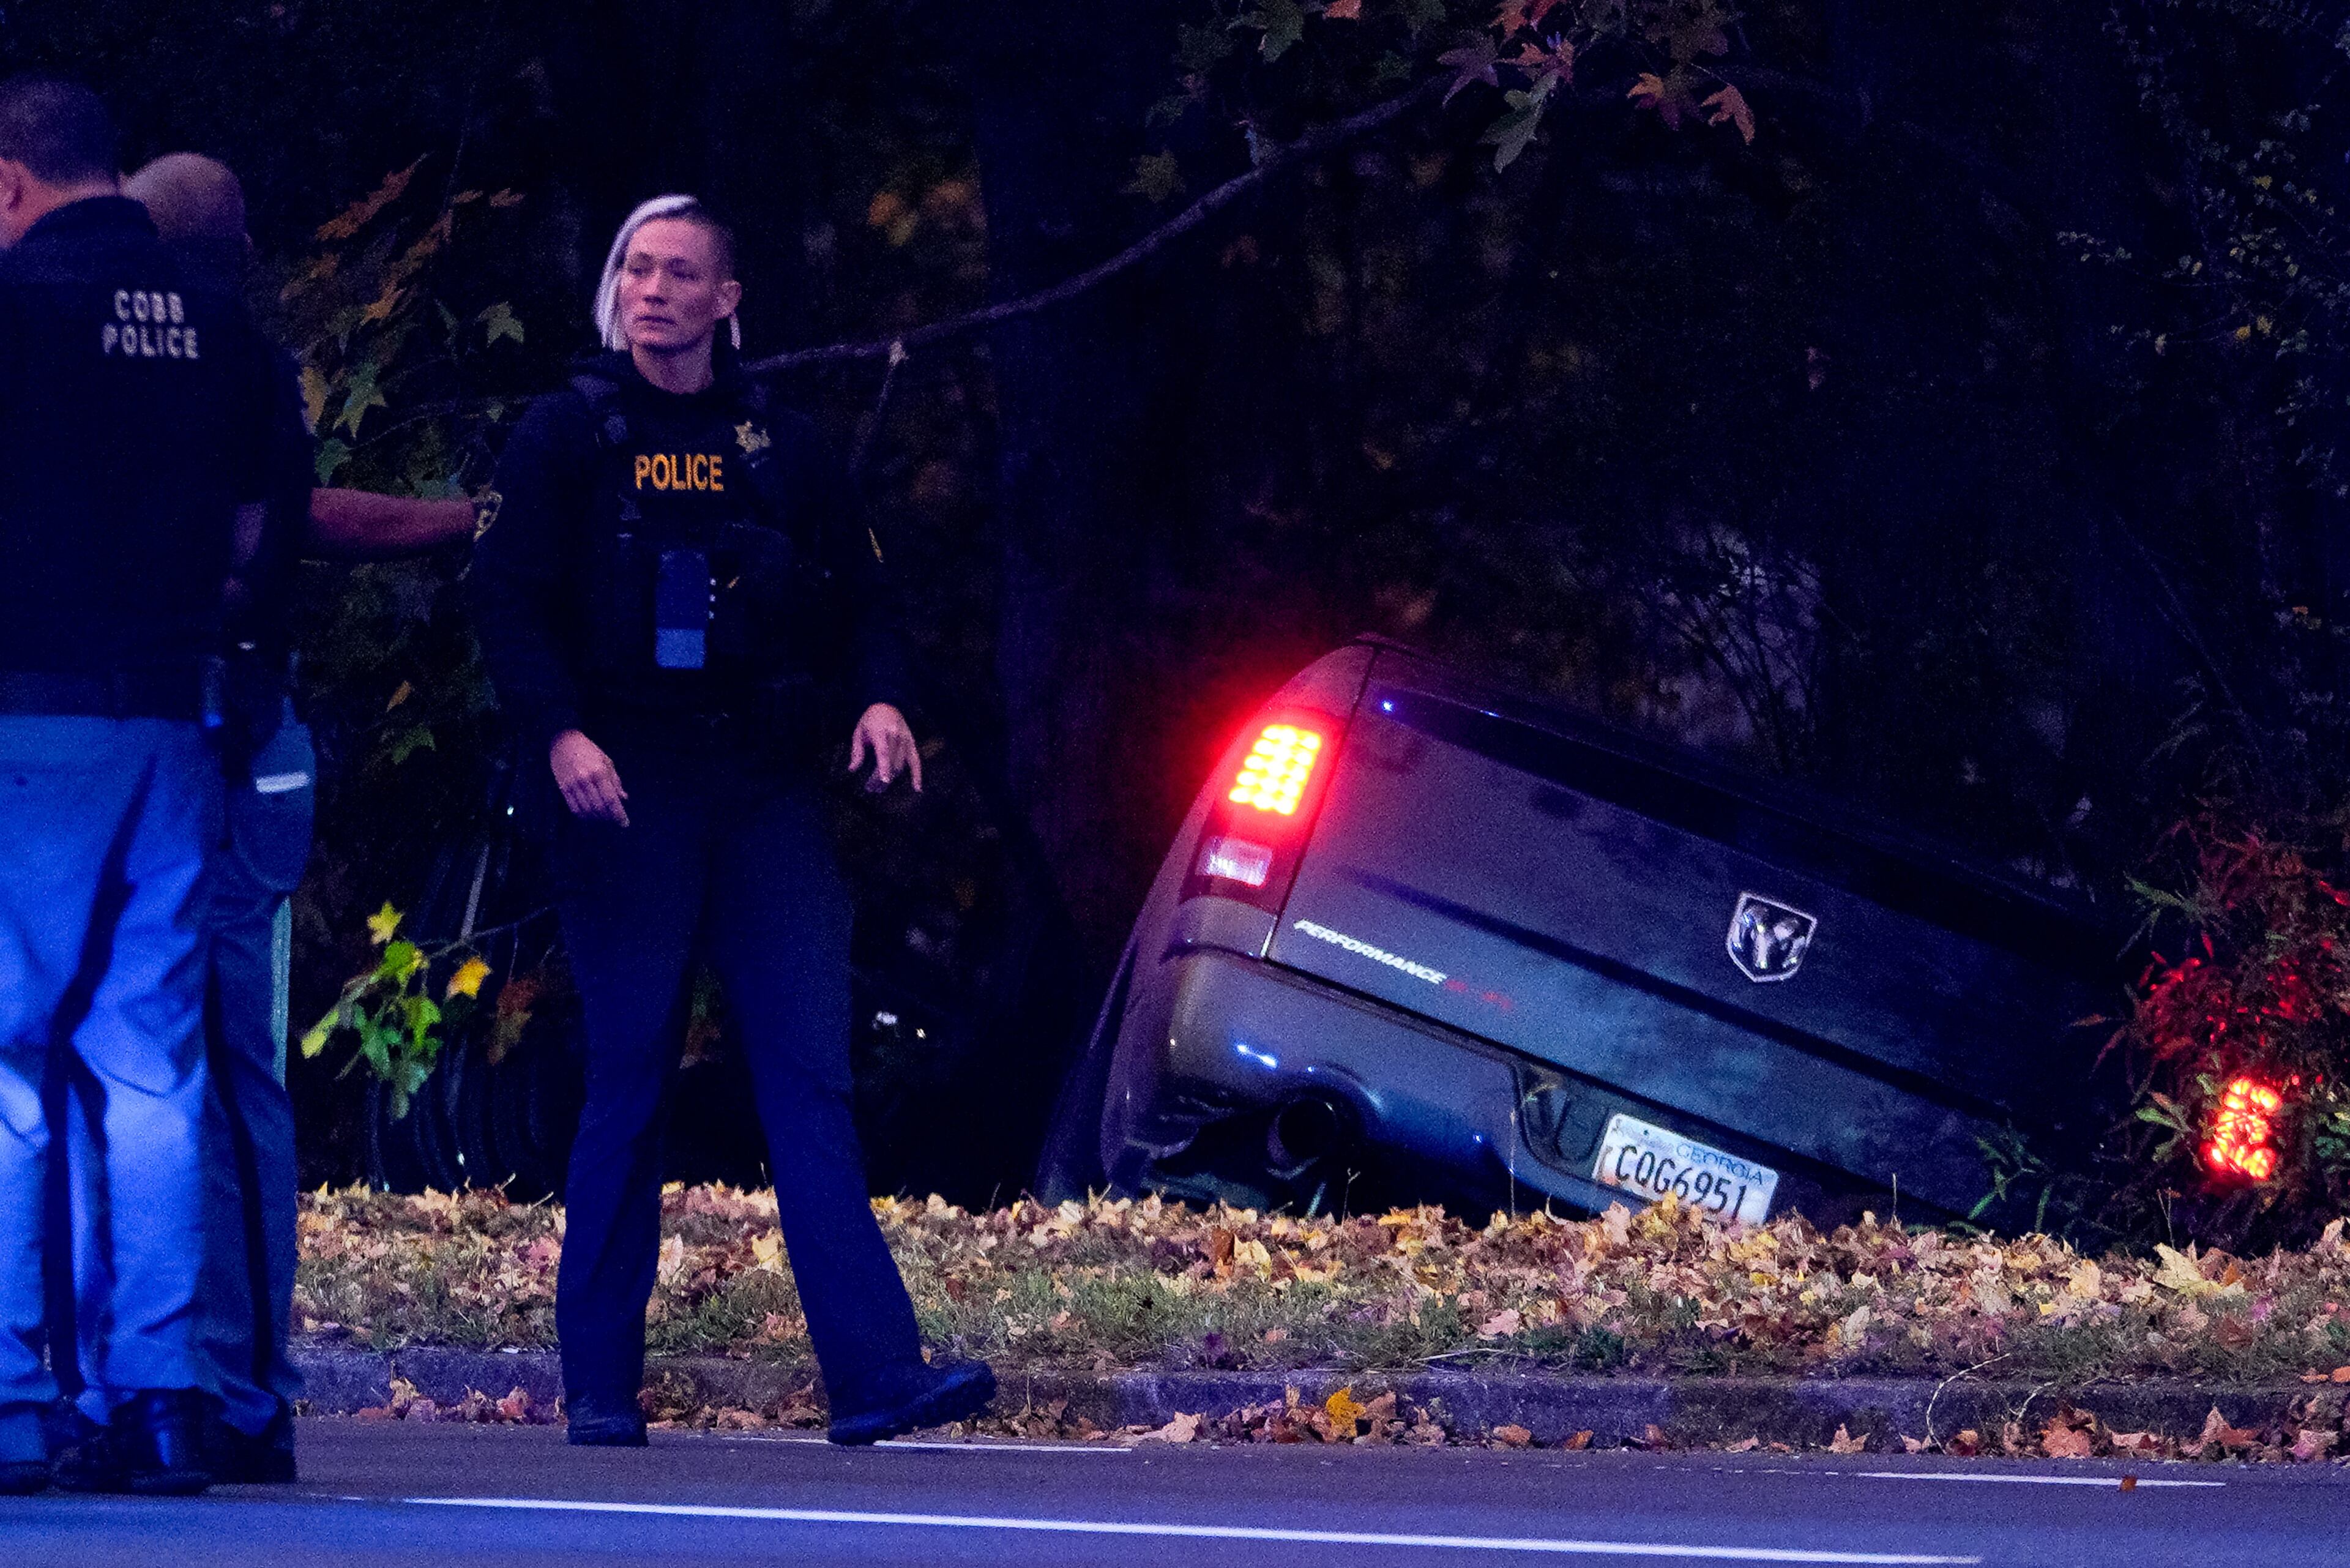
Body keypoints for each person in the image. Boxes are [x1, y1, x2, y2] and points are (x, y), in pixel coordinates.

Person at [469, 194, 993, 1447]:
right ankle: (599, 1383)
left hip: (760, 789)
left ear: (726, 298)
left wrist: (880, 700)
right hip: (623, 786)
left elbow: (865, 598)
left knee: (810, 1078)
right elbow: (504, 597)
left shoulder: (781, 448)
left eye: (679, 272)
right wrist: (558, 732)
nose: (652, 290)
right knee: (630, 1074)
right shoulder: (566, 436)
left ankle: (876, 1378)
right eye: (635, 267)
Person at [40, 152, 476, 1488]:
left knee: (189, 1068)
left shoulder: (174, 366)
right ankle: (204, 1383)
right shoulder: (234, 361)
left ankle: (207, 1383)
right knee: (208, 1072)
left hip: (210, 738)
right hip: (223, 735)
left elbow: (266, 532)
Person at [0, 78, 281, 1497]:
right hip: (174, 719)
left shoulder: (10, 310)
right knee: (154, 1066)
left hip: (24, 723)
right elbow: (262, 522)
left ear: (8, 185)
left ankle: (9, 1398)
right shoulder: (217, 324)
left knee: (5, 1066)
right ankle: (164, 1400)